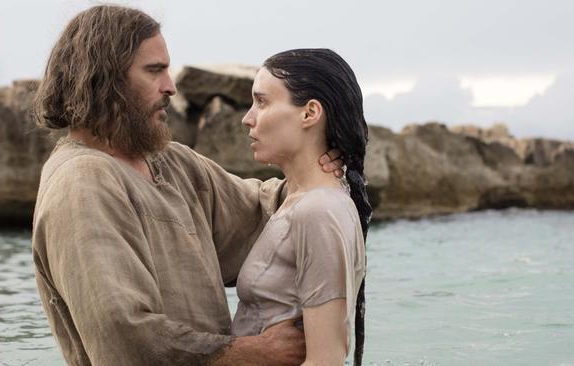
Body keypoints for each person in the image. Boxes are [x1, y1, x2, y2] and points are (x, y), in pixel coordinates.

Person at [31, 5, 342, 366]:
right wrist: (259, 352)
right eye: (154, 71)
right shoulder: (81, 181)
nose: (171, 86)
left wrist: (320, 169)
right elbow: (124, 335)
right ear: (105, 79)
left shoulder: (170, 161)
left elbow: (261, 214)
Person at [234, 49, 372, 366]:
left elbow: (326, 360)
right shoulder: (299, 201)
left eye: (263, 102)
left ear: (309, 113)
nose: (248, 118)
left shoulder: (319, 210)